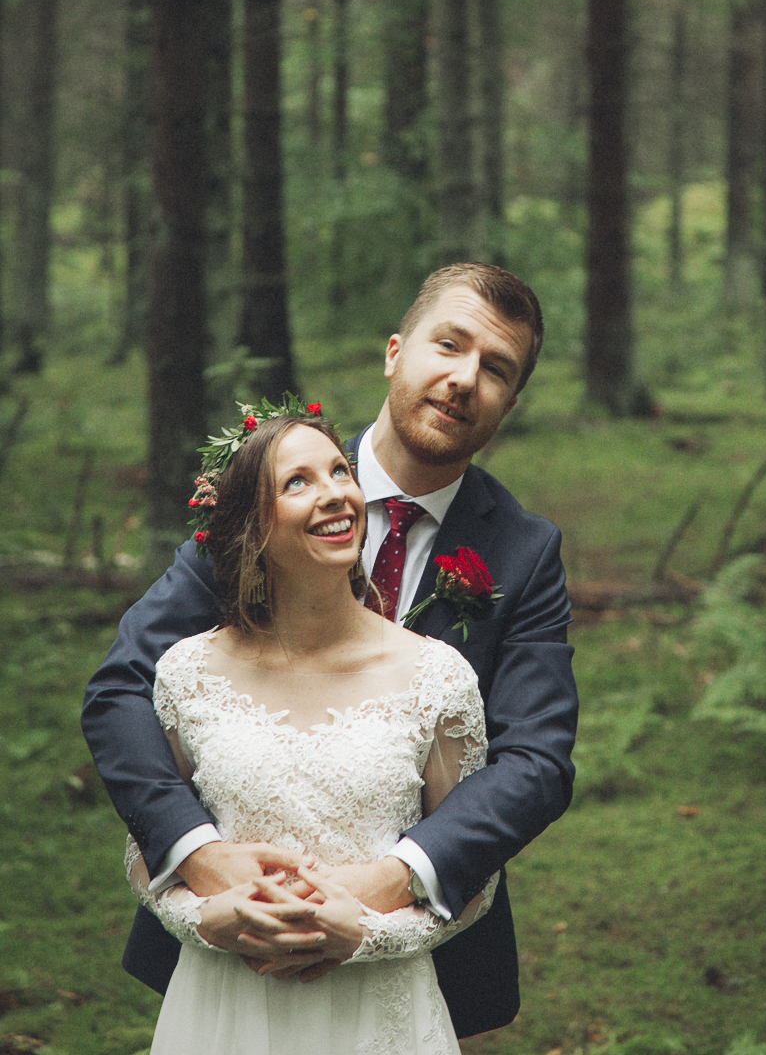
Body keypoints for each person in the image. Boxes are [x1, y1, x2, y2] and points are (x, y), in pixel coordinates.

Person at [83, 263, 578, 1039]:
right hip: (229, 949)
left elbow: (537, 761)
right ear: (393, 352)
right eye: (447, 345)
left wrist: (389, 883)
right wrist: (200, 856)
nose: (462, 379)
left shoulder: (522, 551)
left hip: (411, 964)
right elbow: (121, 689)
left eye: (495, 369)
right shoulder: (263, 489)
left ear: (509, 403)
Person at [129, 406, 497, 1053]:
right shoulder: (188, 674)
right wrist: (206, 918)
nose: (334, 493)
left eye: (338, 472)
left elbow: (474, 874)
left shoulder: (435, 678)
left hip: (376, 1011)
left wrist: (366, 934)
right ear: (250, 527)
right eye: (296, 482)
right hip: (224, 1006)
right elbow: (145, 849)